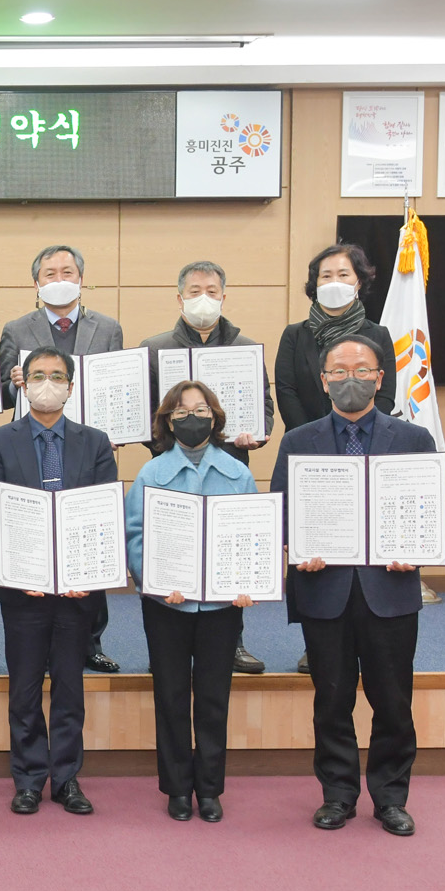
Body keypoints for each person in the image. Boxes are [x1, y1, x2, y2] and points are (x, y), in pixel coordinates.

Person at [270, 335, 436, 837]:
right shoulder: (299, 441)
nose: (351, 379)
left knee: (394, 702)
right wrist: (298, 547)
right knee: (331, 701)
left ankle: (391, 798)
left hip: (391, 591)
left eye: (362, 370)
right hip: (325, 591)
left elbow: (436, 507)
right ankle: (338, 795)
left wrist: (418, 545)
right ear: (323, 382)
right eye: (339, 372)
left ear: (380, 378)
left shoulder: (413, 439)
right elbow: (280, 509)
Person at [0, 347, 117, 817]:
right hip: (23, 587)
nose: (47, 383)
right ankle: (29, 779)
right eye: (37, 375)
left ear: (71, 387)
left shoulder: (95, 442)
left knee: (70, 687)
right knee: (24, 686)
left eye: (57, 376)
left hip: (77, 589)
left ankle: (67, 778)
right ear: (24, 383)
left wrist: (86, 572)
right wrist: (21, 568)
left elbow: (102, 510)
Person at [125, 381, 257, 823]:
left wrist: (247, 582)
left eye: (201, 410)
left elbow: (251, 536)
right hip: (167, 605)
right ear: (167, 421)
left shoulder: (238, 474)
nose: (192, 418)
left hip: (221, 607)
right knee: (172, 695)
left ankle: (211, 788)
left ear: (215, 417)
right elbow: (135, 536)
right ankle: (178, 787)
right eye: (181, 412)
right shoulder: (151, 473)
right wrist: (154, 580)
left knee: (215, 697)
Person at [139, 260, 274, 674]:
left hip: (227, 466)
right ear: (179, 298)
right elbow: (143, 412)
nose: (204, 299)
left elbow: (264, 406)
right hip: (171, 470)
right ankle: (168, 650)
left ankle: (232, 643)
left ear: (224, 296)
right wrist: (168, 443)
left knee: (228, 550)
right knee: (173, 550)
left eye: (212, 291)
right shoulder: (155, 348)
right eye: (195, 291)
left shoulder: (245, 348)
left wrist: (257, 432)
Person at [0, 245, 126, 673]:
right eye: (49, 273)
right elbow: (1, 394)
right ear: (36, 283)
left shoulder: (108, 328)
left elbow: (117, 387)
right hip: (34, 447)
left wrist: (119, 428)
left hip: (87, 449)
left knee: (89, 537)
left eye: (67, 271)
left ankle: (91, 641)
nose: (59, 279)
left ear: (81, 278)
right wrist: (15, 382)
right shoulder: (17, 329)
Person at [275, 244, 400, 672]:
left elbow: (385, 393)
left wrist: (354, 428)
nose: (334, 282)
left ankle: (369, 632)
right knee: (317, 544)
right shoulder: (295, 334)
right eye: (325, 276)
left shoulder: (378, 334)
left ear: (359, 281)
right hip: (310, 453)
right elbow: (286, 389)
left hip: (368, 449)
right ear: (314, 285)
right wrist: (319, 437)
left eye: (343, 275)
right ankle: (318, 641)